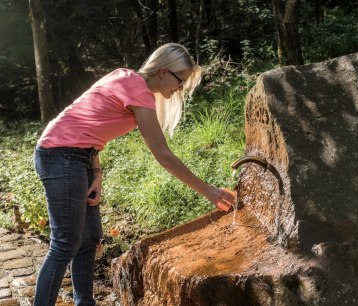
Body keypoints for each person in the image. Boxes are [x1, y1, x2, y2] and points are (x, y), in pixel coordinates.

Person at [33, 43, 236, 305]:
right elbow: (163, 155)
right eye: (180, 81)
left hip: (77, 157)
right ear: (163, 71)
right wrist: (208, 191)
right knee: (65, 244)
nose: (180, 89)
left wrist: (96, 171)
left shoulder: (126, 78)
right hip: (59, 156)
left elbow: (86, 124)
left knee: (89, 238)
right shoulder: (137, 88)